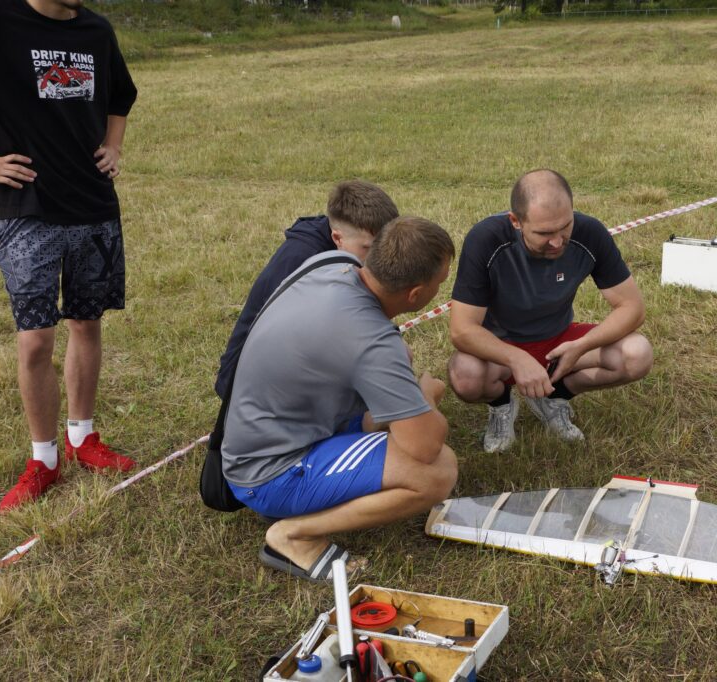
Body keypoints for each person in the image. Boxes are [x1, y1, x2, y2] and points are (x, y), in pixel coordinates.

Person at [221, 216, 458, 582]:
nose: (441, 289)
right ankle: (294, 535)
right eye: (440, 282)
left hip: (257, 433)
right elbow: (425, 446)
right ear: (415, 294)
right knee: (436, 470)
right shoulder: (372, 341)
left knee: (401, 371)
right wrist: (427, 395)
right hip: (268, 472)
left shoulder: (332, 263)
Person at [0, 0, 138, 511]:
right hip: (25, 206)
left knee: (86, 322)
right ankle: (44, 459)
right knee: (35, 340)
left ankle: (82, 438)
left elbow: (120, 96)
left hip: (92, 202)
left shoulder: (96, 29)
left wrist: (114, 146)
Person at [448, 169, 653, 453]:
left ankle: (555, 398)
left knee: (637, 354)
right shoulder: (485, 239)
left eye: (565, 227)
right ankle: (501, 406)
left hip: (559, 341)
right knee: (464, 375)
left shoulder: (590, 232)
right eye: (544, 233)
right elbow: (462, 329)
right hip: (500, 347)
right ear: (516, 221)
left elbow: (632, 308)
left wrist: (581, 346)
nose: (557, 241)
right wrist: (516, 358)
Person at [214, 180, 398, 399]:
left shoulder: (345, 245)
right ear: (337, 238)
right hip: (249, 386)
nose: (378, 258)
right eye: (368, 248)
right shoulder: (300, 261)